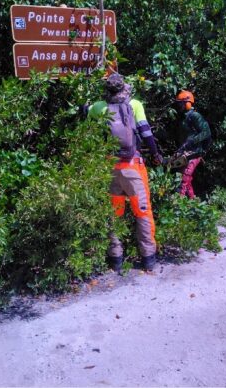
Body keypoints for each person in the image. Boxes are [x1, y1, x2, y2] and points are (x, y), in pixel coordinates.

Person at [87, 73, 163, 272]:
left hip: (110, 168)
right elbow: (145, 132)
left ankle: (116, 260)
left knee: (114, 214)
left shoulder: (97, 108)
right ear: (124, 88)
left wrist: (83, 109)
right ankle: (148, 259)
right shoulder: (135, 105)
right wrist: (155, 154)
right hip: (133, 167)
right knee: (143, 212)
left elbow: (89, 132)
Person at [173, 90, 212, 199]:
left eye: (181, 103)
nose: (179, 106)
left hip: (195, 152)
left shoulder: (195, 116)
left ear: (187, 103)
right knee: (186, 178)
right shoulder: (183, 118)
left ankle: (178, 202)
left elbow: (206, 132)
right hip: (185, 152)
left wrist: (192, 142)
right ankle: (193, 201)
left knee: (184, 177)